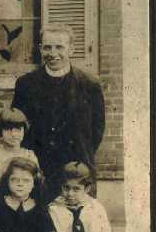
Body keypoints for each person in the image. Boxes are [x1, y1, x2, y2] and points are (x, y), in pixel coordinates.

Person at [11, 24, 106, 203]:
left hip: (77, 169)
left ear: (71, 49)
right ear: (40, 49)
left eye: (59, 47)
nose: (53, 53)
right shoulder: (26, 84)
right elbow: (18, 126)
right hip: (39, 169)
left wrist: (80, 159)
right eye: (47, 47)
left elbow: (97, 130)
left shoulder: (89, 84)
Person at [0, 108, 39, 215]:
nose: (13, 134)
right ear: (0, 131)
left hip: (21, 209)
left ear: (24, 131)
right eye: (8, 129)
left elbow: (36, 186)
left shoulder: (29, 156)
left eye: (18, 130)